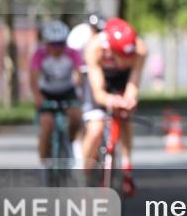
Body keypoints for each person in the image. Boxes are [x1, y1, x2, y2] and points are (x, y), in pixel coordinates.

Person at [83, 17, 147, 196]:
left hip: (122, 79)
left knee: (125, 116)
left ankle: (127, 165)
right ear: (111, 49)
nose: (127, 61)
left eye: (130, 57)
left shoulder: (140, 50)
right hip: (102, 80)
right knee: (95, 129)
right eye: (122, 57)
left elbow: (133, 82)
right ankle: (83, 175)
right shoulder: (95, 48)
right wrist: (109, 100)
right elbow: (98, 92)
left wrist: (128, 100)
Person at [30, 20, 83, 170]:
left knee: (76, 116)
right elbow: (33, 79)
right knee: (47, 124)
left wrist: (78, 89)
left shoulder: (72, 53)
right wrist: (38, 97)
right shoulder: (39, 55)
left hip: (67, 91)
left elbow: (79, 74)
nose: (57, 48)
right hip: (47, 93)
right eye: (53, 44)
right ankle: (45, 162)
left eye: (60, 44)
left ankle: (70, 142)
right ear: (46, 44)